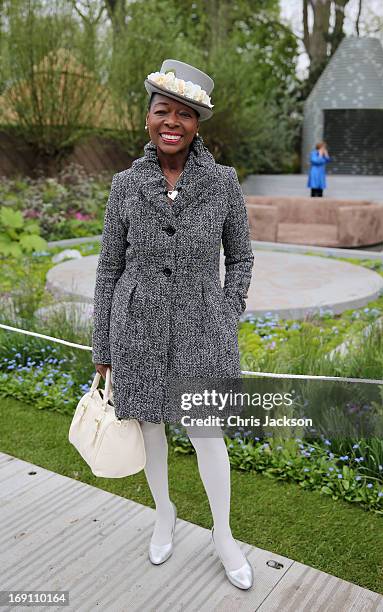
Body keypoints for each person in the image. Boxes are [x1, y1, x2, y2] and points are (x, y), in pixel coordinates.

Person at [91, 59, 255, 590]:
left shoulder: (223, 183)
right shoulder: (124, 184)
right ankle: (165, 513)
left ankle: (223, 535)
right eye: (163, 110)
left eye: (184, 114)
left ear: (197, 124)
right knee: (152, 431)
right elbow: (109, 267)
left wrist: (227, 314)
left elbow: (243, 259)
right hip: (135, 327)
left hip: (203, 329)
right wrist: (103, 344)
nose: (172, 122)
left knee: (208, 436)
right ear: (147, 118)